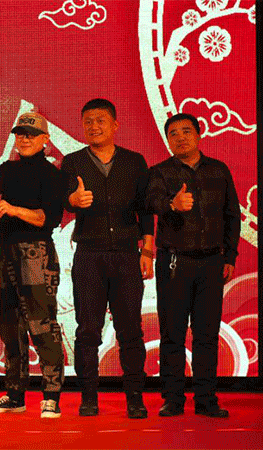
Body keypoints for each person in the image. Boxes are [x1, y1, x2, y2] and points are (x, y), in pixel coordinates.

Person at [60, 98, 154, 419]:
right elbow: (65, 200)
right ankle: (88, 397)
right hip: (89, 255)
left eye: (100, 120)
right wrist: (74, 199)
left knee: (131, 331)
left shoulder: (134, 161)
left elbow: (146, 209)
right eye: (87, 121)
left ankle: (135, 398)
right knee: (87, 330)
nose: (93, 126)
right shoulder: (73, 162)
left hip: (127, 255)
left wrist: (147, 250)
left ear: (115, 125)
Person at [146, 113, 240, 418]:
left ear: (199, 135)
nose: (180, 137)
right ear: (167, 140)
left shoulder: (219, 170)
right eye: (173, 133)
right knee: (171, 334)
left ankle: (206, 399)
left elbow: (232, 215)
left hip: (212, 262)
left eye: (186, 131)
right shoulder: (159, 172)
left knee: (206, 334)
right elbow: (150, 203)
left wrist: (229, 257)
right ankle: (173, 398)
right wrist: (172, 205)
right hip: (174, 262)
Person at [0, 112, 66, 419]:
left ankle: (51, 397)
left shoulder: (52, 173)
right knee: (10, 327)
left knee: (42, 326)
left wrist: (14, 209)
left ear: (45, 140)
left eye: (31, 134)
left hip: (37, 253)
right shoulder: (6, 169)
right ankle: (15, 394)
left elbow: (48, 219)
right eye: (20, 134)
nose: (25, 139)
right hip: (5, 253)